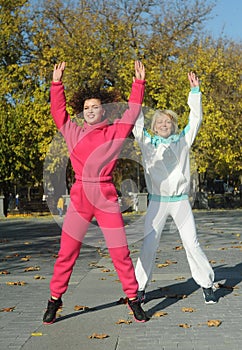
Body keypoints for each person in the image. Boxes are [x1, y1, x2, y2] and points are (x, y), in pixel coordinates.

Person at [43, 61, 149, 324]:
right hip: (80, 196)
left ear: (104, 110)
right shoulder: (73, 132)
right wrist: (57, 85)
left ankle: (133, 298)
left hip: (106, 196)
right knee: (67, 252)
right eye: (86, 108)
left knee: (119, 251)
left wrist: (139, 84)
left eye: (94, 107)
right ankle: (54, 300)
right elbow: (59, 112)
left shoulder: (115, 132)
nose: (90, 111)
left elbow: (132, 112)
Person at [133, 71, 217, 305]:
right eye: (159, 122)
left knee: (192, 242)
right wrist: (138, 88)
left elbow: (196, 118)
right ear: (154, 126)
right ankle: (138, 288)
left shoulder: (183, 140)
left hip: (179, 201)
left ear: (173, 124)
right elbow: (135, 120)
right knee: (149, 243)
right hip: (157, 202)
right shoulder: (147, 141)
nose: (163, 124)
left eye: (167, 121)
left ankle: (207, 284)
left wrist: (195, 92)